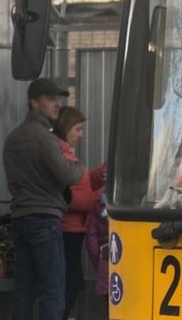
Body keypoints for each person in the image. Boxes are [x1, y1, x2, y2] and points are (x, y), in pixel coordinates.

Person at [3, 78, 86, 320]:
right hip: (45, 219)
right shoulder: (45, 140)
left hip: (20, 217)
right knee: (53, 288)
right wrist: (77, 163)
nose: (57, 104)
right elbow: (69, 174)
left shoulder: (13, 138)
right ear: (34, 102)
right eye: (51, 99)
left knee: (25, 289)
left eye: (58, 99)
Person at [52, 106, 107, 320]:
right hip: (67, 231)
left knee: (70, 283)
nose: (81, 135)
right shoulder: (61, 156)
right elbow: (74, 197)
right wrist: (100, 195)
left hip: (73, 230)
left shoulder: (66, 154)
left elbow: (81, 185)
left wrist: (99, 176)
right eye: (77, 129)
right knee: (68, 284)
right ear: (65, 128)